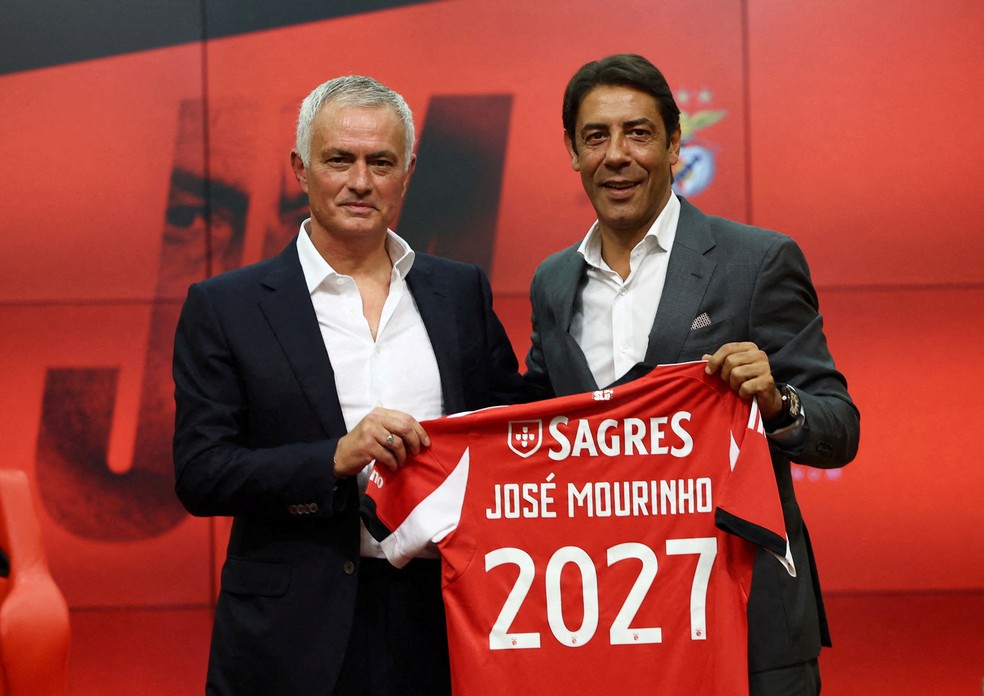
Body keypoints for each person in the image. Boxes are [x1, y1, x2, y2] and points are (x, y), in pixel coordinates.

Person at [172, 74, 523, 695]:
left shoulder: (458, 291)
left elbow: (517, 430)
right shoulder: (226, 306)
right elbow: (202, 473)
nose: (360, 182)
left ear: (407, 172)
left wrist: (680, 385)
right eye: (339, 159)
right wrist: (334, 458)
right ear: (300, 168)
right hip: (292, 631)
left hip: (446, 617)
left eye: (380, 162)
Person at [524, 54, 860, 695]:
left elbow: (839, 428)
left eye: (639, 133)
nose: (617, 155)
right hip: (608, 623)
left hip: (746, 622)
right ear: (572, 151)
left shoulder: (756, 261)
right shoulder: (552, 282)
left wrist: (778, 402)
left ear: (676, 143)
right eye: (596, 136)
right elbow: (541, 432)